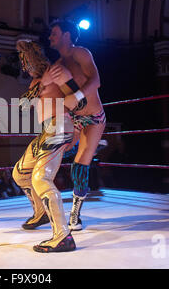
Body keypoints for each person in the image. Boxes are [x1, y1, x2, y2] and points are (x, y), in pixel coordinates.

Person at [12, 39, 76, 253]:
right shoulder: (37, 82)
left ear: (34, 58)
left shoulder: (58, 72)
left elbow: (78, 100)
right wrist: (41, 85)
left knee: (41, 178)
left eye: (26, 61)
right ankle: (40, 213)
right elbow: (21, 107)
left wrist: (76, 133)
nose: (24, 67)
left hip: (60, 126)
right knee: (20, 174)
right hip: (47, 130)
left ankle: (63, 236)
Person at [48, 19, 106, 231]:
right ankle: (44, 205)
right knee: (51, 152)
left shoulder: (81, 53)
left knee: (80, 164)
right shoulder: (57, 66)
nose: (50, 37)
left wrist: (78, 95)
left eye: (54, 33)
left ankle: (75, 214)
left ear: (67, 34)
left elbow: (96, 80)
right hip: (74, 119)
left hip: (93, 118)